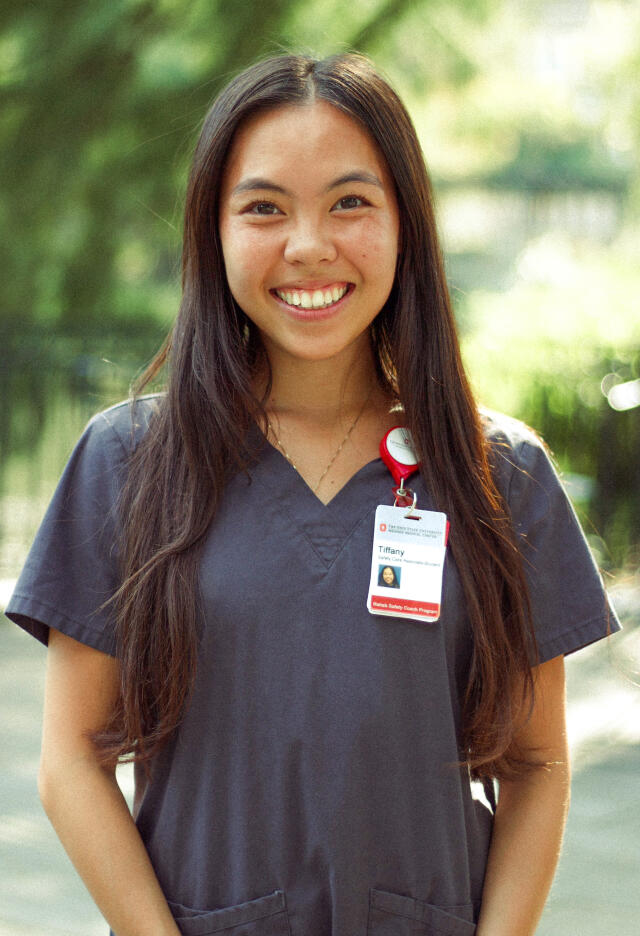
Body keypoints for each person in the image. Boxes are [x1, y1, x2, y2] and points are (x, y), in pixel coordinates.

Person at [5, 53, 619, 936]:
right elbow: (70, 760)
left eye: (350, 203)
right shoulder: (128, 461)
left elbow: (537, 766)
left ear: (407, 222)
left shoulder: (500, 474)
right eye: (263, 207)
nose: (308, 246)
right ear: (212, 232)